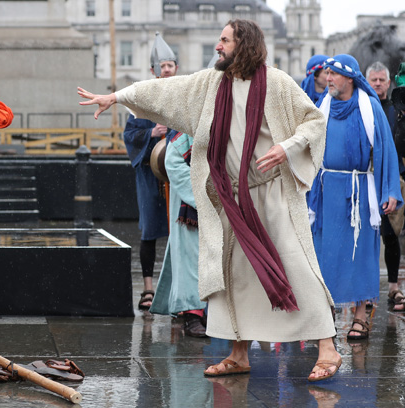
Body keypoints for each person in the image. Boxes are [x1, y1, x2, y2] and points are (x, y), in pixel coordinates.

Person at [79, 19, 341, 382]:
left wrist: (286, 147)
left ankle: (328, 348)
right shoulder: (211, 84)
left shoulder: (277, 82)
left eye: (224, 40)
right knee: (234, 276)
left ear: (244, 44)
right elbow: (166, 91)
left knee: (296, 265)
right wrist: (118, 97)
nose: (218, 47)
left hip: (271, 195)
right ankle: (238, 354)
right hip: (230, 199)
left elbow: (313, 122)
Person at [307, 55, 402, 340]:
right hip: (326, 191)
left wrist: (390, 191)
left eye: (333, 74)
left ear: (349, 78)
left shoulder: (369, 107)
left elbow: (386, 151)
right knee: (325, 251)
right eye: (326, 73)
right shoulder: (321, 106)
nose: (328, 78)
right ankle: (326, 315)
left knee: (360, 253)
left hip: (359, 189)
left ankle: (360, 316)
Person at [123, 33, 176, 310]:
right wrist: (151, 132)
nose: (166, 70)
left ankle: (178, 288)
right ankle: (148, 288)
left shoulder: (183, 96)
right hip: (149, 173)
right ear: (154, 71)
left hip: (178, 174)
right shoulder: (140, 102)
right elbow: (129, 136)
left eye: (170, 65)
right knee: (149, 231)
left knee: (180, 231)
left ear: (175, 68)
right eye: (162, 66)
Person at [149, 131, 207, 337]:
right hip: (189, 205)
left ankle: (205, 313)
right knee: (189, 259)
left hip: (218, 201)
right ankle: (192, 315)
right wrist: (200, 196)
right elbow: (173, 162)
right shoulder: (184, 128)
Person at [366, 61, 404, 312]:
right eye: (374, 80)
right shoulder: (361, 108)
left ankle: (392, 287)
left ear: (389, 83)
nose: (378, 84)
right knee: (368, 236)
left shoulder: (397, 111)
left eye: (382, 80)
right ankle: (367, 290)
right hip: (367, 180)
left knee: (391, 235)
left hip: (393, 179)